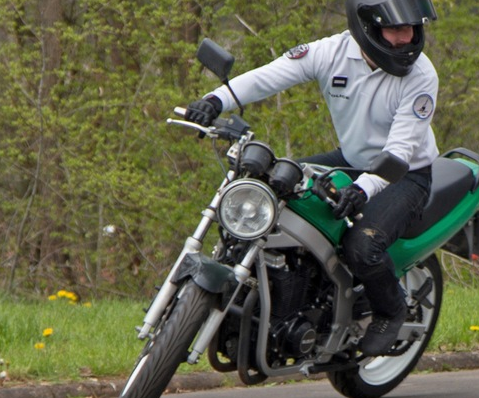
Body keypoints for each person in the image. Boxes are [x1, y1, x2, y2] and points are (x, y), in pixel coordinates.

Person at [185, 0, 440, 357]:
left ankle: (391, 309)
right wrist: (216, 99)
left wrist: (363, 188)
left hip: (406, 174)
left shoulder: (421, 75)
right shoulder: (329, 52)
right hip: (351, 160)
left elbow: (399, 152)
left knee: (362, 246)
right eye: (396, 29)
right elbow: (269, 76)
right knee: (268, 189)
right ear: (367, 28)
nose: (407, 38)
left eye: (411, 28)